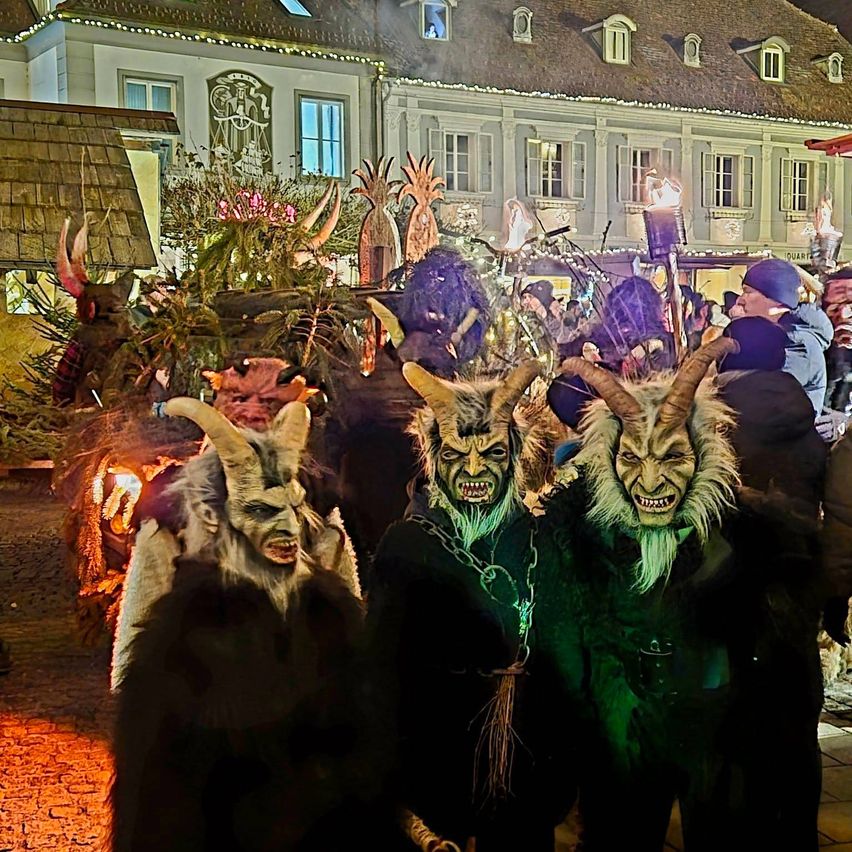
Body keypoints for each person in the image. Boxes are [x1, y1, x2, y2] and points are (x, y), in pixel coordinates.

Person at [539, 338, 745, 851]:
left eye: (673, 454)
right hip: (618, 730)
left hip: (704, 723)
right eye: (631, 458)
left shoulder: (737, 538)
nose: (649, 478)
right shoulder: (577, 537)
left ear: (702, 453)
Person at [369, 361, 576, 851]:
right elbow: (379, 664)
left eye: (493, 453)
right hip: (434, 750)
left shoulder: (540, 536)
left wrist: (565, 747)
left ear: (515, 458)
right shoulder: (407, 545)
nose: (476, 471)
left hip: (526, 752)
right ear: (435, 459)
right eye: (458, 455)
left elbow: (565, 652)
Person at [729, 258, 833, 416]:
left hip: (784, 438)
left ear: (776, 299)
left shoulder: (796, 345)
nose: (740, 300)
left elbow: (759, 399)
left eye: (748, 292)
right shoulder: (780, 336)